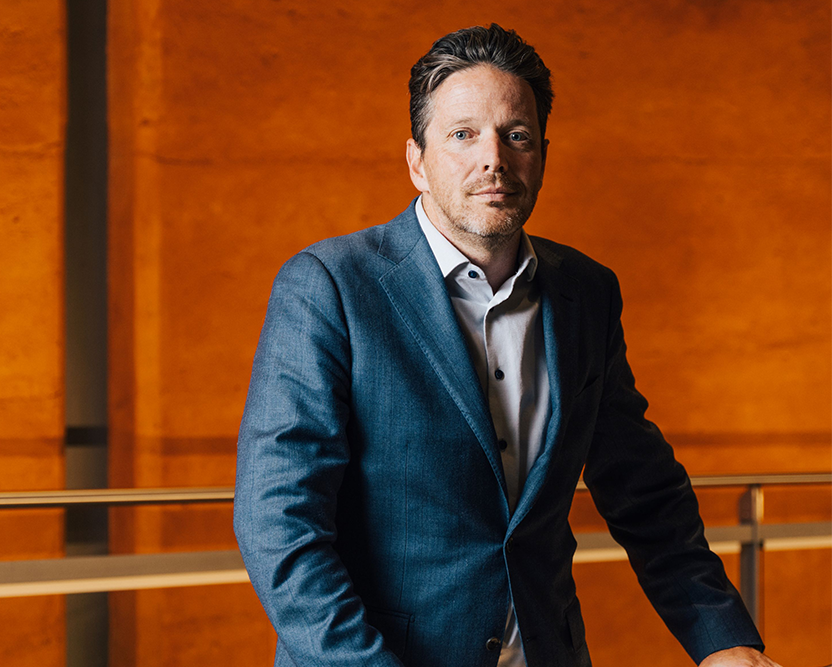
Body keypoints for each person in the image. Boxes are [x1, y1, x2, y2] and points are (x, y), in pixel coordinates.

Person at [234, 23, 778, 667]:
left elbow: (645, 491)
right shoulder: (330, 285)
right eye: (462, 134)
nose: (493, 158)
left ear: (541, 153)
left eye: (515, 135)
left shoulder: (587, 293)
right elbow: (279, 524)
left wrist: (724, 642)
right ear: (416, 159)